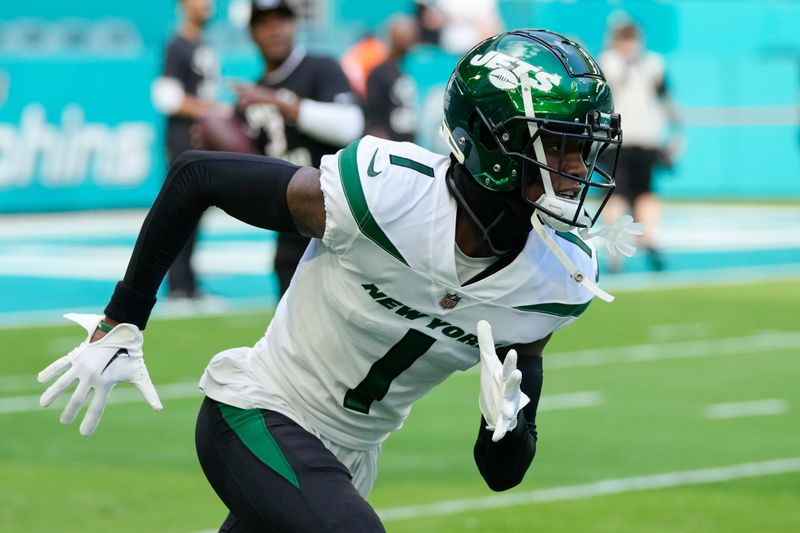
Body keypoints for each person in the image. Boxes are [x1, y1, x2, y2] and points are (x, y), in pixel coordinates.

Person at [38, 30, 633, 532]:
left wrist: (503, 424)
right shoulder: (387, 193)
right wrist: (123, 320)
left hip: (345, 462)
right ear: (493, 143)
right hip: (259, 410)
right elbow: (197, 176)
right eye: (560, 145)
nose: (580, 168)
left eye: (583, 146)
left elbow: (501, 474)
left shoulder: (558, 278)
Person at [232, 0, 363, 296]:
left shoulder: (321, 67)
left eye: (281, 21)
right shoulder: (253, 94)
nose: (274, 30)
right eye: (265, 23)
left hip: (337, 215)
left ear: (295, 25)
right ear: (252, 32)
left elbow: (350, 124)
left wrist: (282, 103)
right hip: (290, 222)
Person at [151, 0, 226, 299]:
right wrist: (212, 112)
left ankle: (188, 281)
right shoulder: (177, 45)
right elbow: (167, 97)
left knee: (196, 213)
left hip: (201, 139)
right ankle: (179, 284)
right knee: (180, 211)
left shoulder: (201, 44)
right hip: (183, 137)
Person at [598, 18, 684, 272]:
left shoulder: (608, 62)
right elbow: (668, 102)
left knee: (616, 195)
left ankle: (616, 252)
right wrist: (677, 133)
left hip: (618, 140)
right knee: (644, 192)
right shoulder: (652, 63)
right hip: (645, 138)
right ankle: (649, 238)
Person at [364, 15, 419, 142]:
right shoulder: (379, 73)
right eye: (402, 35)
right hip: (390, 141)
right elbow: (375, 113)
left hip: (409, 139)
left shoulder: (410, 68)